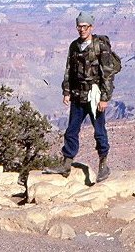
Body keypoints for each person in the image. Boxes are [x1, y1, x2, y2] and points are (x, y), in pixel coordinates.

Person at [45, 11, 115, 182]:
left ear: (91, 27)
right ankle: (67, 163)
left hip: (94, 96)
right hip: (77, 95)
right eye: (79, 26)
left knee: (99, 131)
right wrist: (66, 92)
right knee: (71, 131)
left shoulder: (100, 46)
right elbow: (69, 70)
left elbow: (107, 74)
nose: (81, 29)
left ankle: (103, 165)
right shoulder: (74, 46)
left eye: (85, 26)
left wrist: (105, 98)